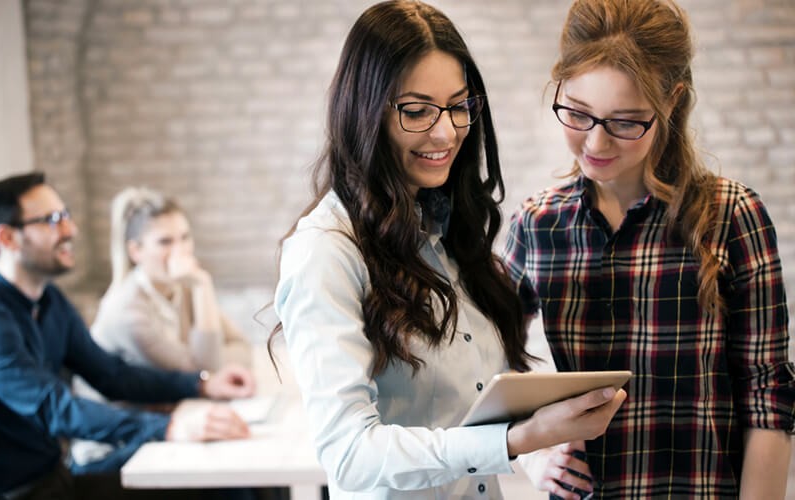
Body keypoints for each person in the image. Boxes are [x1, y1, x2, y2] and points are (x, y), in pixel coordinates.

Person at [273, 1, 626, 499]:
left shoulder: (446, 230)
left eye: (459, 107)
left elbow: (475, 392)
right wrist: (513, 441)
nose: (445, 133)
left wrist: (544, 436)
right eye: (416, 112)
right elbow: (349, 456)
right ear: (364, 111)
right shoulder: (326, 251)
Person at [502, 0, 795, 498]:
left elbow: (767, 394)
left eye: (625, 121)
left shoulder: (731, 216)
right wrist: (533, 456)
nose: (595, 142)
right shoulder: (537, 224)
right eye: (577, 113)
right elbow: (478, 362)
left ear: (672, 101)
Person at [0, 172, 255, 500]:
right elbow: (54, 408)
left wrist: (199, 383)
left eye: (66, 216)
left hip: (56, 478)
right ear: (7, 239)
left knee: (233, 487)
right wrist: (169, 428)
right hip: (20, 493)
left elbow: (112, 375)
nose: (70, 230)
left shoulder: (50, 301)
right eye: (52, 220)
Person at [69, 186, 254, 473]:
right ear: (136, 251)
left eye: (185, 237)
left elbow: (242, 348)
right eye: (165, 241)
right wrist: (202, 285)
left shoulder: (180, 289)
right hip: (112, 448)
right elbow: (206, 370)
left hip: (163, 424)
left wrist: (211, 367)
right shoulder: (126, 309)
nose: (180, 251)